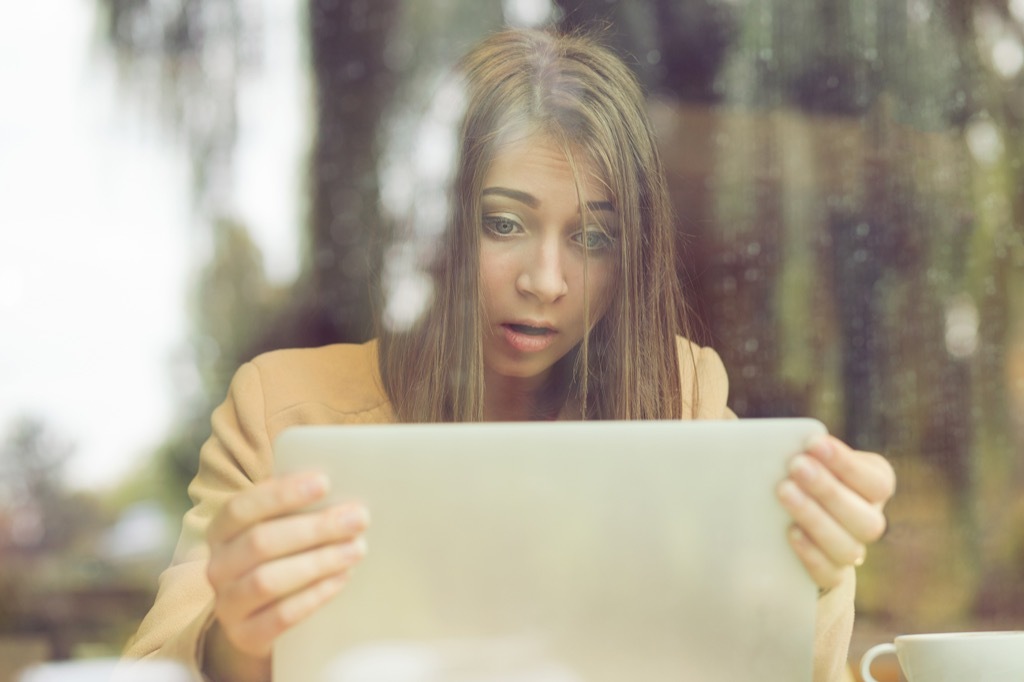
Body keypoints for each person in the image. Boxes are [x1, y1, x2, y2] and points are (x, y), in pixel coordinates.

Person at [121, 27, 896, 682]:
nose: (546, 282)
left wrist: (812, 576)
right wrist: (237, 640)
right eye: (504, 224)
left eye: (593, 238)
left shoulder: (681, 391)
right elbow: (154, 662)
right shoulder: (283, 406)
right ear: (438, 225)